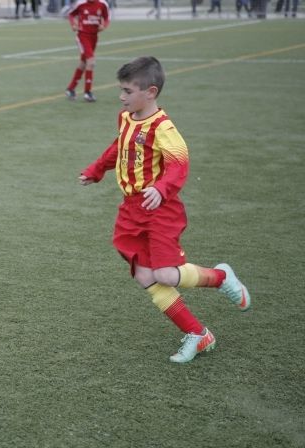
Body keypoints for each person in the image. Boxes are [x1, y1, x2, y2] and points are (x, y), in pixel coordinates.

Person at [78, 57, 251, 364]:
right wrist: (97, 169)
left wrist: (160, 188)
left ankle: (221, 277)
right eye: (121, 89)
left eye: (128, 90)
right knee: (145, 276)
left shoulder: (162, 127)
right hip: (132, 210)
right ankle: (198, 334)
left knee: (165, 274)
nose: (122, 96)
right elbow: (119, 147)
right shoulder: (126, 117)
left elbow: (179, 164)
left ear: (151, 92)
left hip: (161, 210)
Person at [64, 0, 109, 103]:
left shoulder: (102, 4)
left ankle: (71, 89)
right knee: (91, 61)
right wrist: (73, 24)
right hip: (82, 36)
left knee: (83, 63)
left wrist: (104, 25)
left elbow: (106, 17)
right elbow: (71, 14)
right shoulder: (81, 3)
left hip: (94, 37)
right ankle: (87, 92)